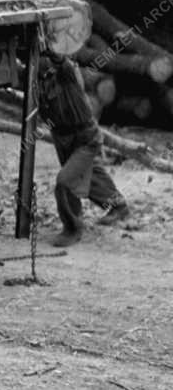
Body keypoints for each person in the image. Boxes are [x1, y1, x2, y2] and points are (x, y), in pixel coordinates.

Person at [38, 53, 130, 246]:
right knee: (90, 174)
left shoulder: (67, 73)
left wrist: (53, 50)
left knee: (65, 181)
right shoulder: (38, 82)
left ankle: (72, 228)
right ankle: (118, 206)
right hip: (63, 139)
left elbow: (64, 63)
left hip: (85, 137)